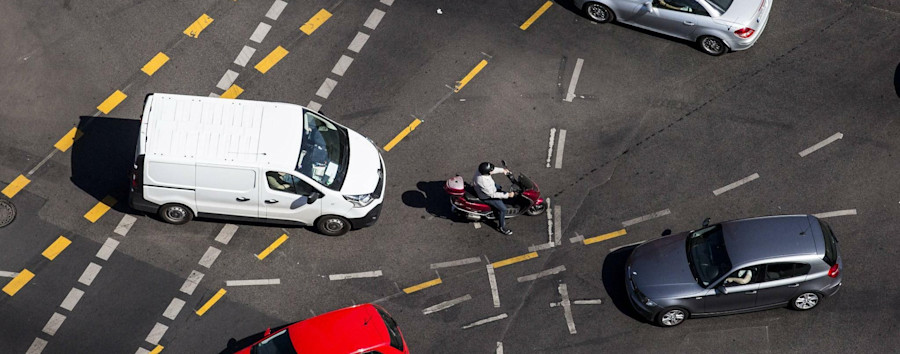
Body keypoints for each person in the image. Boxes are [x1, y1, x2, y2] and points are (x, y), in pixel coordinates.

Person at [473, 162, 515, 235]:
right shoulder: (483, 181)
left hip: (489, 187)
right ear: (486, 172)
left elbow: (492, 170)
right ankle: (502, 227)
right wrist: (508, 195)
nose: (492, 171)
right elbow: (492, 195)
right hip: (487, 196)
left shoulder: (481, 170)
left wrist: (503, 170)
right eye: (490, 170)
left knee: (499, 187)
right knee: (503, 209)